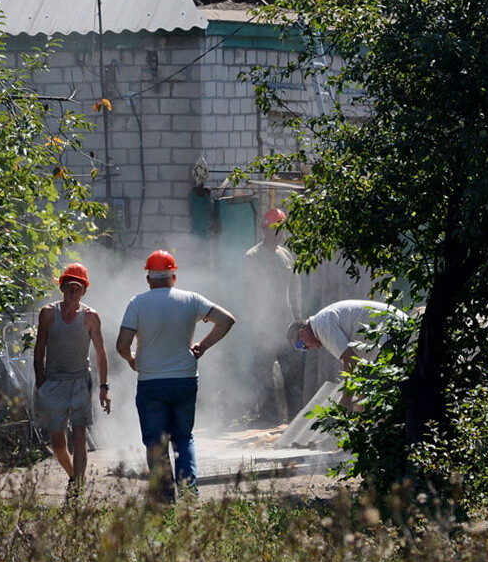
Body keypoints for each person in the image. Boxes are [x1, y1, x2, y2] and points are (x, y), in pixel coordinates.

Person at [116, 249, 236, 502]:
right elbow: (226, 320)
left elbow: (122, 345)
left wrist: (131, 359)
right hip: (185, 378)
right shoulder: (191, 299)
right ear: (174, 277)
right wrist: (201, 346)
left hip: (150, 382)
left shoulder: (137, 303)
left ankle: (165, 498)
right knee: (183, 437)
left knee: (155, 442)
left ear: (148, 278)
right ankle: (190, 493)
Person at [32, 262, 111, 499]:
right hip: (54, 381)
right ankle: (75, 478)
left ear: (84, 290)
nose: (72, 293)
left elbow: (100, 353)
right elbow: (39, 350)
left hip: (79, 381)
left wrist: (104, 387)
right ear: (62, 288)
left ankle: (77, 489)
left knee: (79, 435)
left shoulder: (90, 317)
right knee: (57, 444)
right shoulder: (48, 313)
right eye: (68, 287)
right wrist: (40, 381)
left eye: (77, 288)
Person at [287, 299, 408, 410]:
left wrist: (346, 399)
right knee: (371, 395)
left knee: (376, 397)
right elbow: (359, 367)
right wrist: (360, 395)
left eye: (300, 345)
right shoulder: (322, 324)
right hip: (393, 332)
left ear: (301, 332)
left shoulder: (321, 325)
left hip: (391, 332)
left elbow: (351, 361)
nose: (306, 349)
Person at [243, 206, 301, 423]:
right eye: (278, 229)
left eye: (283, 229)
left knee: (293, 374)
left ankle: (296, 419)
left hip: (287, 326)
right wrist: (255, 324)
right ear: (267, 231)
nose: (282, 233)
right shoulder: (253, 257)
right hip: (263, 327)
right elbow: (249, 292)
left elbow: (294, 289)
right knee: (263, 375)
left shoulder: (286, 255)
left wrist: (298, 318)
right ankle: (269, 418)